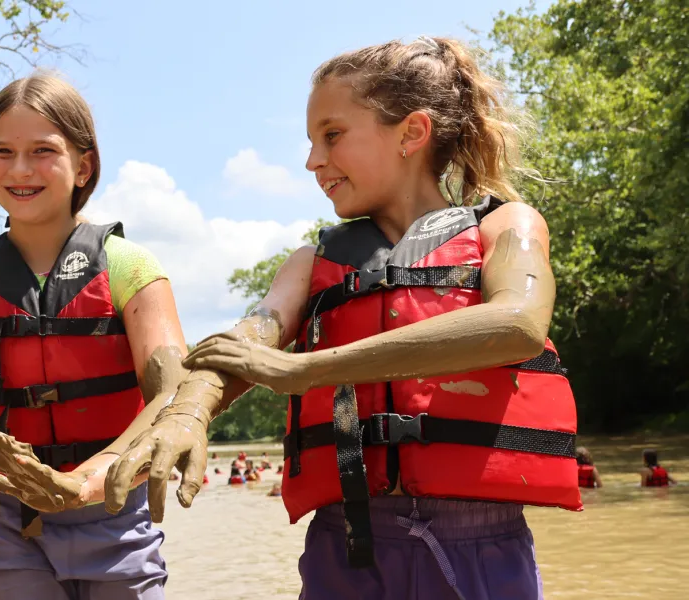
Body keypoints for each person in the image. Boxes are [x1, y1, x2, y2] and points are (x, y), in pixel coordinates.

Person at [106, 37, 582, 600]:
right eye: (311, 142)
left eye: (331, 136)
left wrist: (306, 369)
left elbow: (518, 324)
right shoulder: (311, 263)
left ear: (412, 133)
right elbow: (246, 341)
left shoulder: (506, 226)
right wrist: (190, 409)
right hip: (345, 552)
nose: (312, 161)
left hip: (482, 551)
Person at [0, 73, 213, 600]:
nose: (20, 169)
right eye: (1, 152)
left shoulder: (130, 268)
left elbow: (173, 397)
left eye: (43, 151)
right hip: (9, 525)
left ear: (84, 165)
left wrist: (89, 479)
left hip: (115, 513)